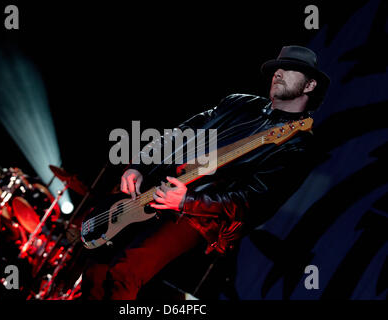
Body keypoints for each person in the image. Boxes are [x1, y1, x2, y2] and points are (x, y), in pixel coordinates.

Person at [82, 45, 330, 299]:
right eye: (278, 67)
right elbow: (178, 134)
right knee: (96, 270)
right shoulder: (237, 103)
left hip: (198, 218)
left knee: (125, 274)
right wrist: (138, 165)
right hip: (153, 191)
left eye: (290, 68)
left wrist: (187, 201)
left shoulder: (297, 143)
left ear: (309, 86)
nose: (278, 72)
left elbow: (254, 202)